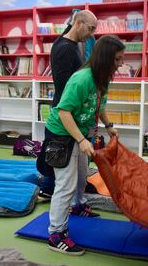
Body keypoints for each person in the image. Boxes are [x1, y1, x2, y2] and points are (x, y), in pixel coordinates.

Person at [46, 35, 125, 255]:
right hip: (62, 134)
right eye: (118, 59)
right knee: (65, 184)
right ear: (107, 58)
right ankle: (56, 234)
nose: (121, 64)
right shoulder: (82, 79)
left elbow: (98, 106)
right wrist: (80, 140)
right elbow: (64, 112)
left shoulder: (102, 77)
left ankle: (78, 206)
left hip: (80, 133)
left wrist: (109, 125)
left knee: (82, 176)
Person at [37, 10, 98, 200]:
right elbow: (64, 88)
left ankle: (55, 187)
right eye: (90, 28)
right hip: (65, 113)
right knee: (61, 154)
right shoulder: (65, 48)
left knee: (66, 156)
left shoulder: (68, 42)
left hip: (69, 112)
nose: (92, 34)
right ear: (78, 23)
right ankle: (48, 189)